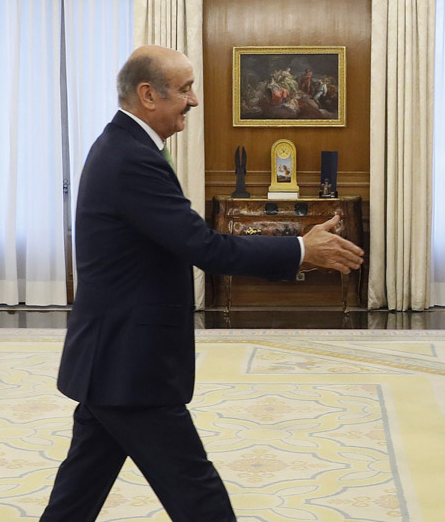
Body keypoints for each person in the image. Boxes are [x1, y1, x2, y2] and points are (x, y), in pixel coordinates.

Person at [40, 45, 364, 522]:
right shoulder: (130, 157)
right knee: (198, 495)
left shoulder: (124, 147)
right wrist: (300, 249)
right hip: (131, 365)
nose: (193, 100)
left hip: (110, 360)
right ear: (148, 95)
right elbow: (204, 248)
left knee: (77, 496)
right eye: (186, 88)